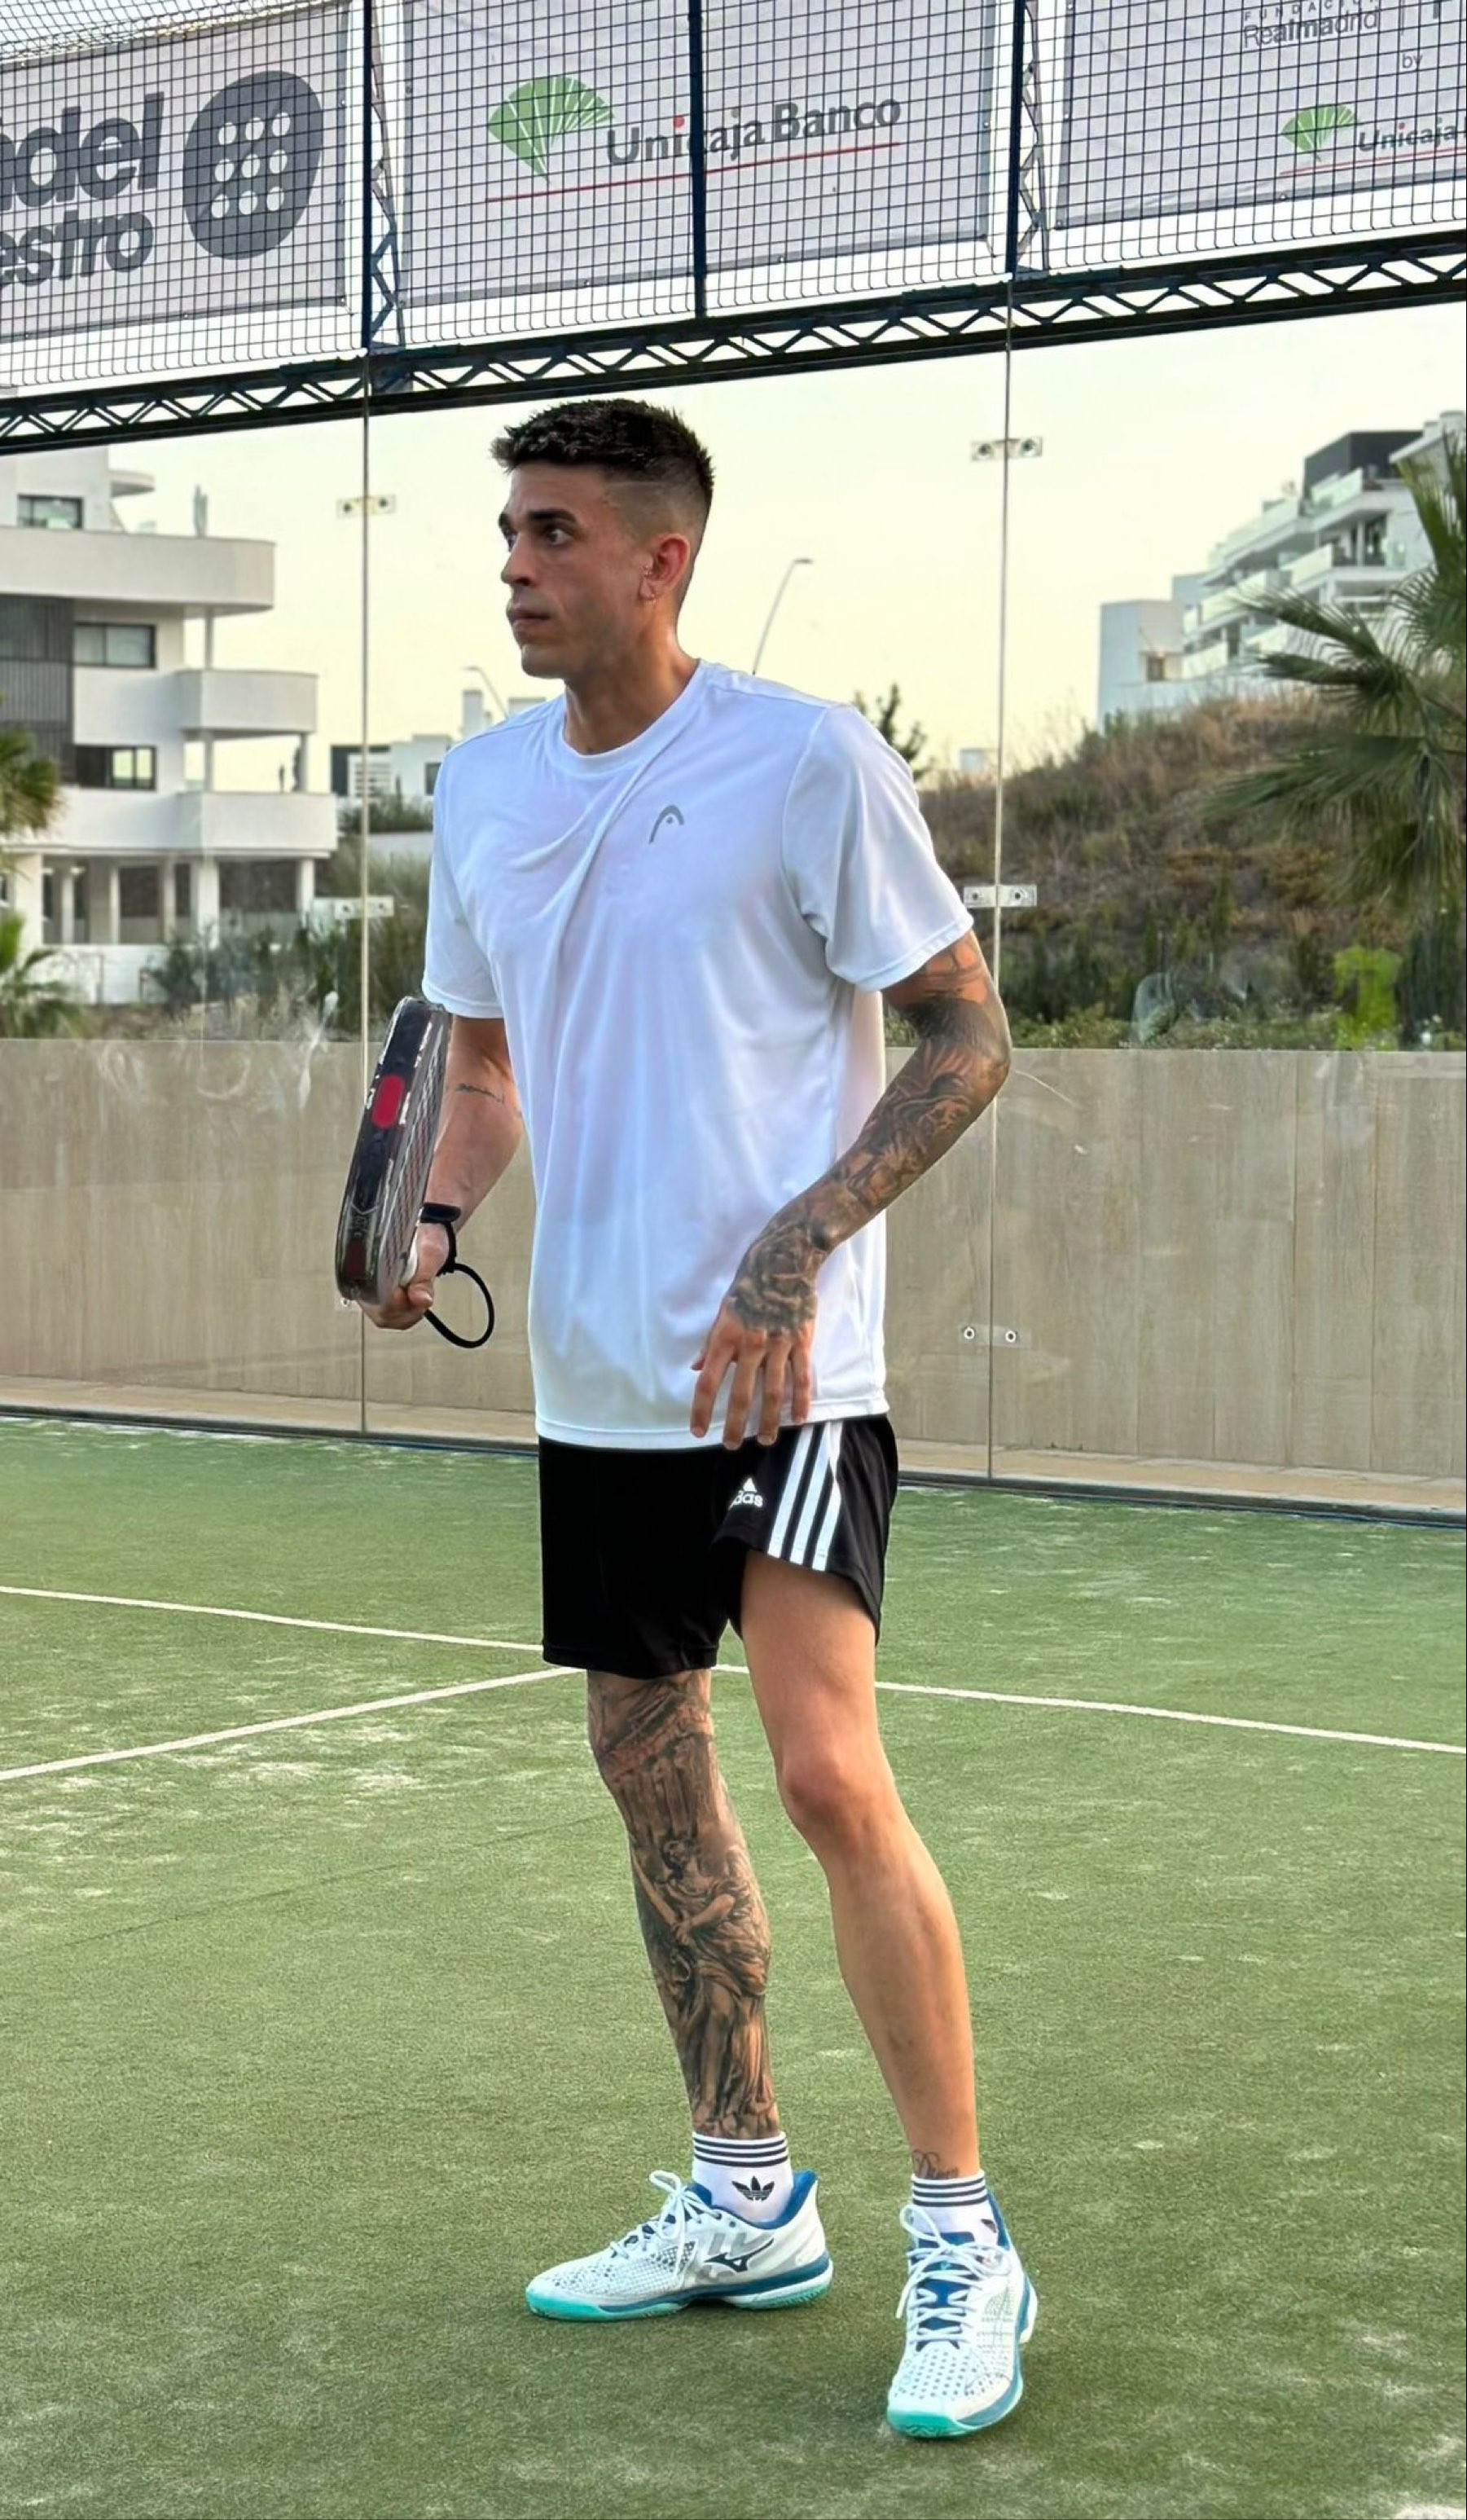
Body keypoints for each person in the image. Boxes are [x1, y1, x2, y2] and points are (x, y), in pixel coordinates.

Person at [362, 396, 1030, 2439]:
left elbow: (966, 1030)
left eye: (554, 531)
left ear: (662, 559)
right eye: (508, 530)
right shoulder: (483, 788)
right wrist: (432, 1215)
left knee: (824, 1768)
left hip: (784, 1371)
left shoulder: (802, 760)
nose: (514, 563)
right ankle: (747, 2190)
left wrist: (797, 1243)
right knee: (650, 1774)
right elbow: (481, 1076)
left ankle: (964, 2233)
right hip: (594, 1378)